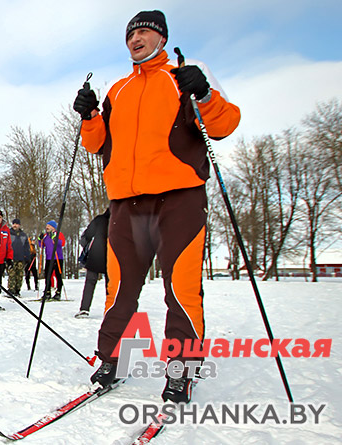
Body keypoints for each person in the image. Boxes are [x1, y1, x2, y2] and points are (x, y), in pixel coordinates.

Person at [73, 10, 241, 403]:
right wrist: (90, 115)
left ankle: (181, 371)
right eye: (131, 34)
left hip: (178, 199)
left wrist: (203, 94)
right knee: (119, 290)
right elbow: (97, 144)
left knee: (180, 289)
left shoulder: (185, 74)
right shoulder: (119, 89)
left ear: (162, 38)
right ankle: (112, 360)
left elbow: (225, 123)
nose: (137, 39)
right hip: (126, 205)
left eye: (145, 32)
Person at [75, 209, 110, 318]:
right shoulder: (120, 220)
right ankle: (111, 309)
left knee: (90, 282)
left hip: (96, 253)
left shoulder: (99, 220)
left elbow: (86, 236)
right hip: (112, 254)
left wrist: (86, 247)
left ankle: (84, 308)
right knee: (110, 284)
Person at [40, 220, 65, 300]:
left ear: (53, 227)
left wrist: (54, 238)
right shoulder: (46, 235)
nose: (47, 227)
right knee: (47, 275)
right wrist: (39, 239)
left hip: (58, 258)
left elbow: (62, 243)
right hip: (48, 258)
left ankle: (58, 292)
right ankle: (47, 292)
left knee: (58, 275)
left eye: (49, 226)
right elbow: (41, 246)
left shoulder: (58, 234)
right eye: (47, 226)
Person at [8, 218, 31, 295]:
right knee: (12, 274)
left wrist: (27, 256)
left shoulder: (23, 235)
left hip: (21, 258)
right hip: (11, 257)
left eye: (16, 224)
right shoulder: (9, 233)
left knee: (19, 274)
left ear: (19, 225)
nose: (15, 225)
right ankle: (11, 289)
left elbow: (26, 247)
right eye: (14, 223)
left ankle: (17, 289)